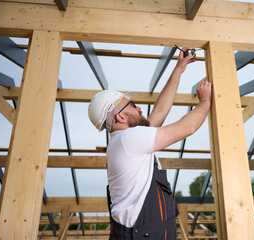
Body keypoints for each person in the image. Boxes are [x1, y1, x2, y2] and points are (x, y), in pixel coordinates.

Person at [88, 48, 212, 240]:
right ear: (120, 116)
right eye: (131, 104)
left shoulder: (125, 141)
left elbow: (159, 112)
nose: (138, 107)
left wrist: (179, 69)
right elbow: (188, 128)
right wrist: (204, 102)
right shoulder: (128, 140)